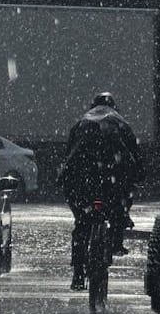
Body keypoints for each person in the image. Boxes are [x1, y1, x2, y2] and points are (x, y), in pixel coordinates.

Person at [58, 92, 144, 290]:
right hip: (112, 180)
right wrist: (137, 175)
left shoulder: (81, 123)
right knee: (119, 209)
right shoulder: (120, 122)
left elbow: (69, 156)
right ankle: (116, 239)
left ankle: (78, 272)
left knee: (82, 224)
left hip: (83, 181)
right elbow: (134, 158)